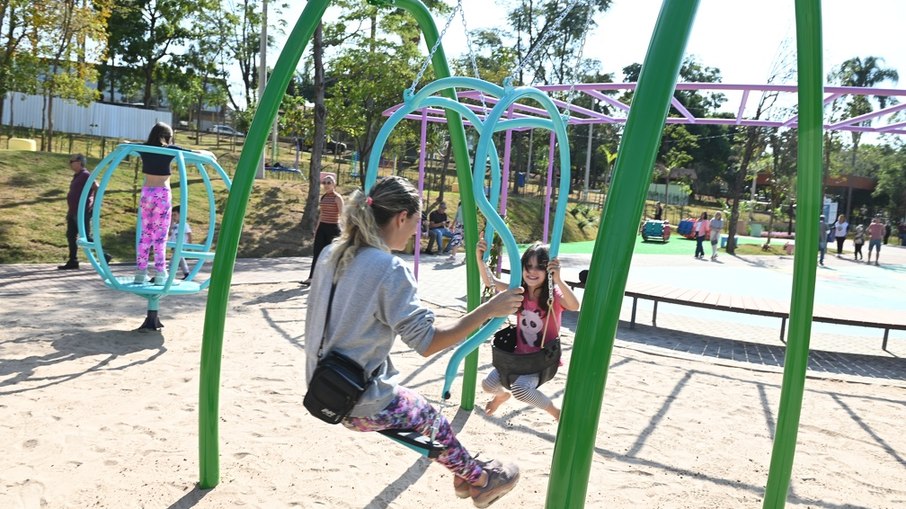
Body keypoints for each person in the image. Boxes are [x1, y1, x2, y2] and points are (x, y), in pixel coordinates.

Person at [304, 176, 524, 506]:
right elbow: (428, 343)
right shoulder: (389, 267)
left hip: (321, 387)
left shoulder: (331, 254)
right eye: (416, 224)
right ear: (401, 217)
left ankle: (466, 476)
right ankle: (480, 479)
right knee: (429, 417)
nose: (416, 234)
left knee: (420, 414)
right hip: (358, 402)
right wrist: (488, 310)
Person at [475, 239, 581, 421]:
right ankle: (501, 396)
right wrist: (480, 260)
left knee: (520, 390)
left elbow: (574, 305)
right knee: (487, 385)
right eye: (528, 266)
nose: (532, 271)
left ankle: (555, 411)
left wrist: (558, 280)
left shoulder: (553, 294)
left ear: (548, 270)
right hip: (518, 357)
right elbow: (490, 282)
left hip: (541, 361)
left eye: (540, 267)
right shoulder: (519, 291)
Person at [134, 122, 214, 285]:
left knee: (146, 234)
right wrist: (209, 153)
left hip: (146, 194)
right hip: (161, 195)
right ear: (165, 137)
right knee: (161, 235)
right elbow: (193, 153)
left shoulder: (144, 148)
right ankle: (160, 271)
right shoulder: (169, 150)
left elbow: (126, 146)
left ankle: (141, 271)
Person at [301, 173, 343, 287]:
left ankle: (335, 278)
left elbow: (342, 215)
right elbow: (321, 215)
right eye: (324, 183)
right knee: (317, 253)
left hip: (333, 228)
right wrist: (317, 228)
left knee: (333, 254)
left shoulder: (337, 198)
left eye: (329, 182)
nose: (326, 185)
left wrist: (344, 232)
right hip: (323, 227)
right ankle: (311, 278)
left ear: (334, 184)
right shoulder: (323, 197)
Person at [59, 154, 98, 270]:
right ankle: (73, 261)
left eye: (72, 161)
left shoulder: (86, 175)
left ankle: (104, 256)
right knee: (71, 236)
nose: (70, 163)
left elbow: (97, 187)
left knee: (85, 237)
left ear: (79, 162)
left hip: (82, 212)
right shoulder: (77, 176)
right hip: (72, 212)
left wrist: (94, 206)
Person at [169, 205, 192, 279]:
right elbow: (169, 233)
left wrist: (189, 245)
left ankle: (169, 275)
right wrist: (171, 224)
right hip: (174, 245)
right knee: (181, 260)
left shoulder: (184, 224)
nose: (173, 216)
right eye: (172, 215)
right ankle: (187, 274)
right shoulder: (175, 225)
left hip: (180, 246)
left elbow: (189, 234)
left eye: (175, 215)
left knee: (173, 261)